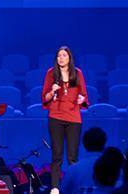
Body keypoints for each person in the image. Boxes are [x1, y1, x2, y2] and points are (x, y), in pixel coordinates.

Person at [42, 46, 89, 192]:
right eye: (59, 56)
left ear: (69, 58)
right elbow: (45, 97)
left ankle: (72, 186)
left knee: (72, 156)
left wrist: (82, 99)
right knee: (57, 155)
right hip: (55, 116)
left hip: (74, 118)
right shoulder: (51, 73)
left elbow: (85, 96)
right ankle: (55, 187)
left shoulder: (77, 73)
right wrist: (52, 91)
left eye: (64, 55)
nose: (61, 58)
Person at [59, 127, 107, 194]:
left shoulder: (73, 170)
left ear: (84, 144)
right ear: (104, 142)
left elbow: (63, 191)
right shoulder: (115, 170)